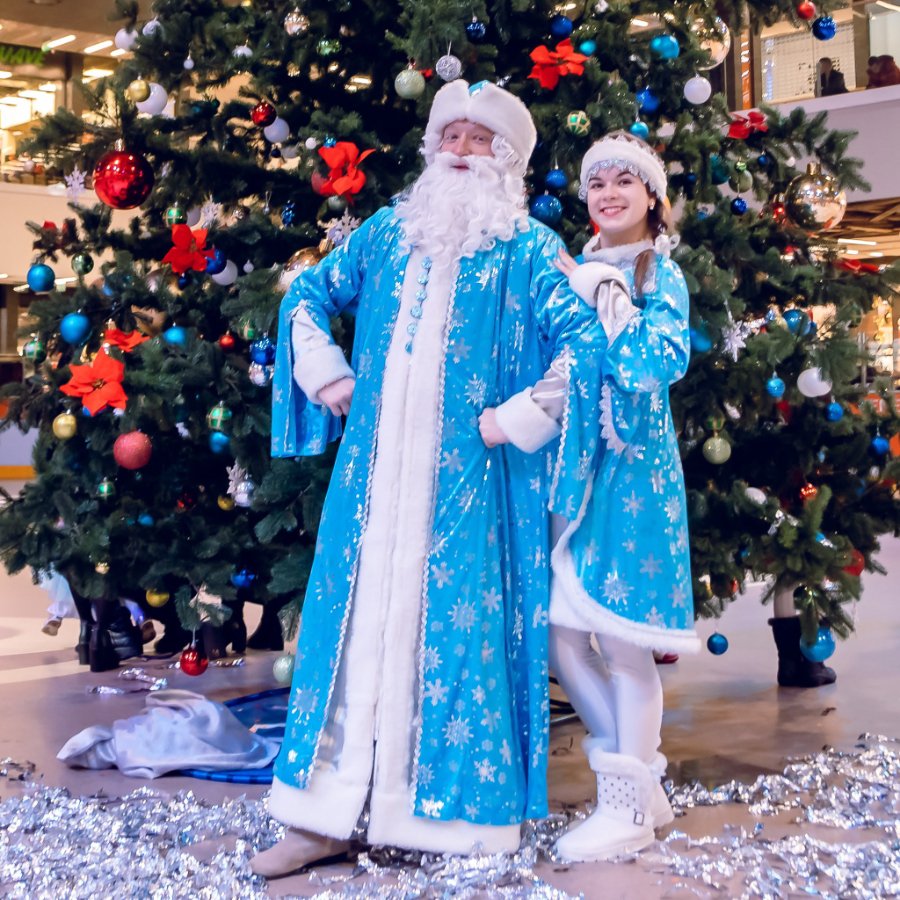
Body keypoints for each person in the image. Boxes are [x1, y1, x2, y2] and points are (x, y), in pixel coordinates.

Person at [252, 80, 602, 878]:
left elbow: (586, 346)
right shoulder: (386, 233)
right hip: (373, 488)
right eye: (452, 136)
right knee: (351, 633)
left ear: (507, 158)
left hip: (473, 491)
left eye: (480, 140)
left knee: (457, 638)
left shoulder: (529, 250)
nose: (461, 152)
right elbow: (305, 294)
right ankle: (321, 815)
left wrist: (520, 416)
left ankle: (452, 822)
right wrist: (326, 371)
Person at [486, 132, 700, 861]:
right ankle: (638, 787)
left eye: (623, 182)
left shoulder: (656, 273)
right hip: (571, 473)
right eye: (597, 184)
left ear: (652, 197)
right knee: (563, 635)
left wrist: (605, 294)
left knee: (624, 643)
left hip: (631, 476)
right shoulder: (569, 265)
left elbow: (652, 362)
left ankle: (626, 810)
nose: (609, 194)